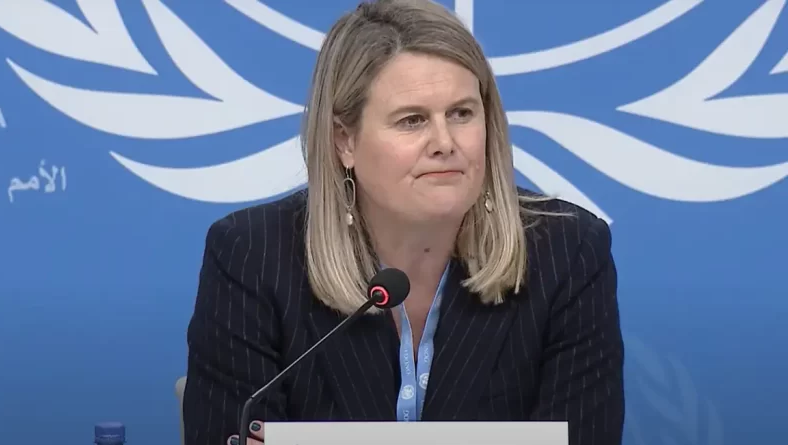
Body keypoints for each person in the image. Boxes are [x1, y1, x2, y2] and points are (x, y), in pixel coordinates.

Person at [181, 0, 625, 444]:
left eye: (462, 113)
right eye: (412, 120)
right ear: (344, 140)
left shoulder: (567, 252)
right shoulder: (252, 256)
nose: (444, 142)